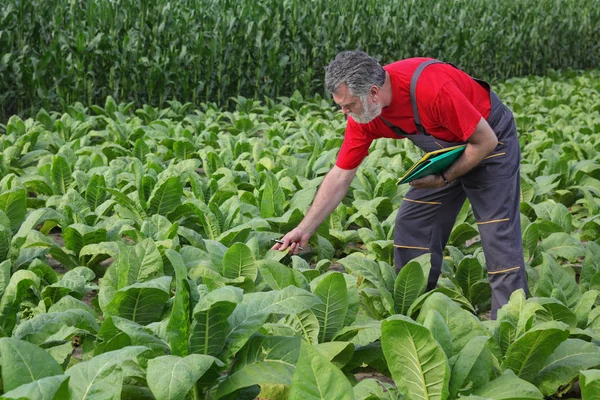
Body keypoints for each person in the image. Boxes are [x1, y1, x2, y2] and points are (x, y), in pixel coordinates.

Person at [272, 51, 528, 318]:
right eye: (340, 106)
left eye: (348, 105)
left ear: (373, 93)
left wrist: (444, 177)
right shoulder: (366, 116)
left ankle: (510, 329)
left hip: (489, 139)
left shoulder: (432, 89)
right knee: (413, 224)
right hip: (446, 150)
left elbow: (484, 141)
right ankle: (416, 314)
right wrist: (304, 228)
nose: (344, 113)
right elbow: (341, 175)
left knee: (496, 233)